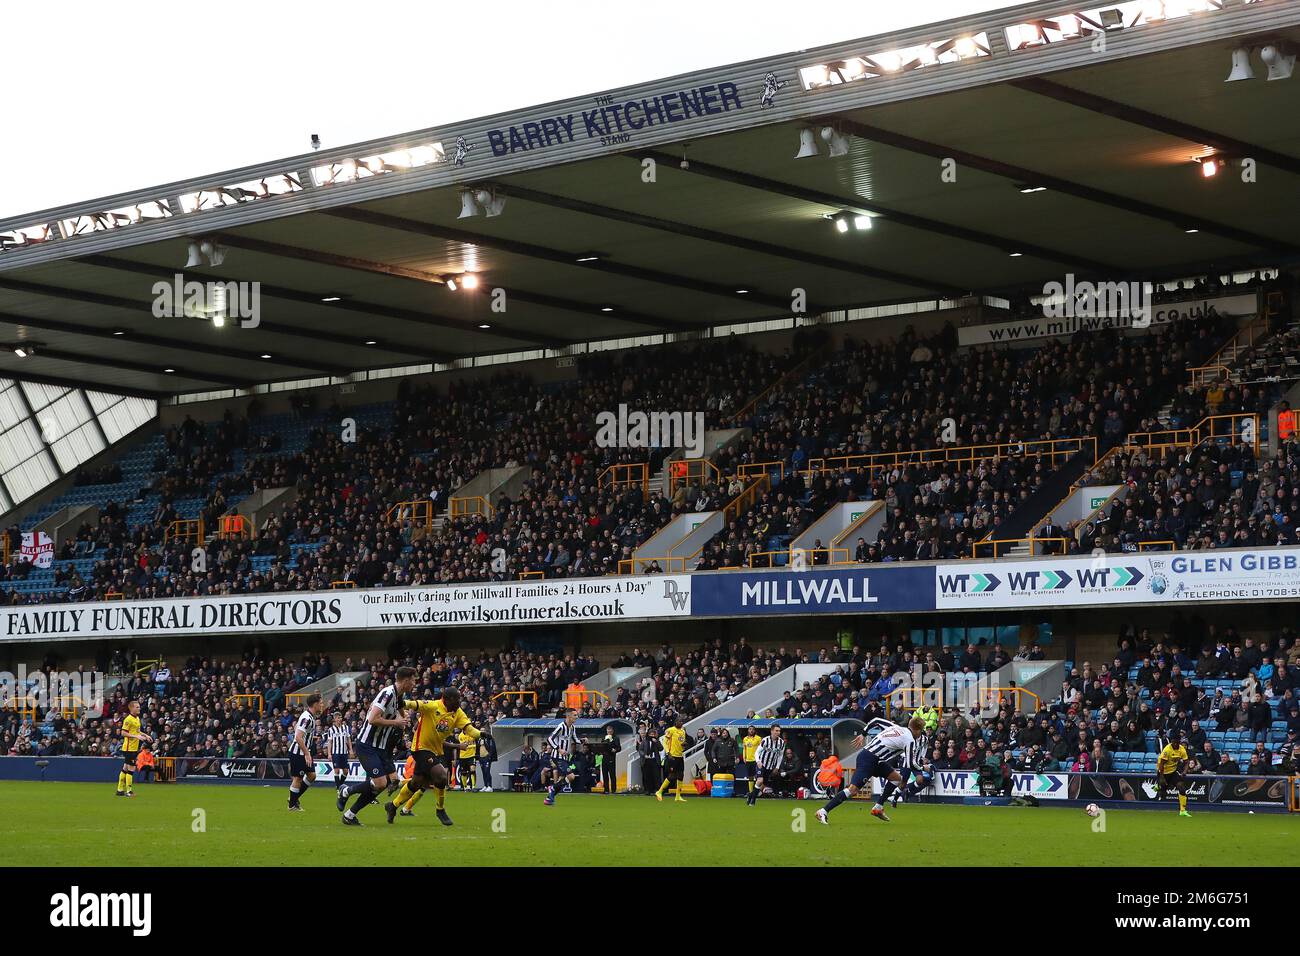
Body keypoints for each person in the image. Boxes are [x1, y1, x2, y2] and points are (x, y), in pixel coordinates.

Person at [386, 685, 481, 826]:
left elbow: (469, 729)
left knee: (417, 782)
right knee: (442, 776)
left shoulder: (458, 713)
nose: (458, 702)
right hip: (420, 748)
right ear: (446, 699)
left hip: (437, 751)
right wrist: (403, 702)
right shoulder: (433, 706)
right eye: (456, 700)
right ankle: (440, 810)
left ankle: (392, 806)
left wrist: (481, 734)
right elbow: (416, 704)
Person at [337, 666, 416, 827]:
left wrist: (404, 717)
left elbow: (401, 710)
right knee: (380, 783)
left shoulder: (399, 695)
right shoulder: (387, 694)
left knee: (381, 786)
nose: (415, 683)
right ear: (406, 681)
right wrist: (396, 722)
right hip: (367, 744)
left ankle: (350, 815)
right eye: (413, 680)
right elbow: (372, 719)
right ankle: (346, 791)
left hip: (381, 747)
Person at [816, 716, 924, 825]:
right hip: (868, 759)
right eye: (921, 731)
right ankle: (823, 811)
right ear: (918, 730)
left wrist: (863, 734)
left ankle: (878, 808)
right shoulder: (910, 740)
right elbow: (911, 763)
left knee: (897, 779)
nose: (920, 734)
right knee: (852, 790)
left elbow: (876, 720)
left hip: (876, 760)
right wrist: (923, 768)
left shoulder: (895, 727)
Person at [287, 693, 324, 811]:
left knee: (312, 776)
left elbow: (302, 733)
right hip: (299, 752)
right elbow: (298, 737)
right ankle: (292, 805)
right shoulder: (307, 718)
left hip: (304, 751)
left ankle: (293, 798)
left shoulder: (310, 716)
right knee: (298, 778)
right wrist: (307, 753)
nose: (322, 704)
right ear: (315, 704)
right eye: (321, 702)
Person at [543, 708, 580, 806]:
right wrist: (559, 749)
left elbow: (575, 739)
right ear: (568, 716)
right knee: (571, 776)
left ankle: (549, 798)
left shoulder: (572, 727)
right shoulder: (561, 726)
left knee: (563, 779)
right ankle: (553, 788)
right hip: (557, 756)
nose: (577, 717)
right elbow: (549, 739)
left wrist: (582, 740)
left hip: (565, 757)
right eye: (575, 715)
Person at [115, 699, 152, 798]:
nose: (139, 708)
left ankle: (119, 790)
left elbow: (137, 731)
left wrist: (146, 735)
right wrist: (136, 737)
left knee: (125, 768)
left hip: (133, 748)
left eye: (139, 707)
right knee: (131, 769)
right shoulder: (128, 719)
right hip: (128, 748)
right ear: (131, 708)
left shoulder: (137, 718)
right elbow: (123, 733)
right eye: (137, 707)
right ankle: (129, 791)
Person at [1156, 729, 1192, 818]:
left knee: (1181, 787)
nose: (1175, 744)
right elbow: (1161, 764)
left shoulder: (1182, 749)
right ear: (1171, 742)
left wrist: (1184, 771)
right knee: (1162, 793)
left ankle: (1183, 811)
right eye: (1173, 742)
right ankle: (1157, 787)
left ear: (1179, 742)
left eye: (1177, 742)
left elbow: (1187, 762)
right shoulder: (1167, 750)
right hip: (1163, 772)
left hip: (1173, 772)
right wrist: (1161, 777)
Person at [746, 723, 785, 806]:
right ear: (771, 731)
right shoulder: (765, 740)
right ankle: (753, 801)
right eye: (776, 731)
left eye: (779, 731)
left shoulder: (781, 743)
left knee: (762, 786)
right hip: (761, 764)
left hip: (770, 766)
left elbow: (780, 755)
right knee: (760, 780)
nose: (778, 732)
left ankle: (750, 795)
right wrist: (758, 761)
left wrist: (777, 767)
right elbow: (757, 752)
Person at [656, 714, 688, 803]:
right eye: (679, 721)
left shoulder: (683, 731)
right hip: (672, 756)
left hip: (680, 756)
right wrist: (667, 752)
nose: (681, 723)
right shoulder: (670, 730)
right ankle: (659, 791)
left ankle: (678, 796)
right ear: (676, 722)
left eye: (682, 722)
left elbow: (681, 743)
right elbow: (665, 742)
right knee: (672, 775)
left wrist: (684, 745)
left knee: (681, 775)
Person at [326, 712, 354, 788]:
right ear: (334, 719)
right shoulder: (331, 729)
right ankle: (339, 788)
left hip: (344, 752)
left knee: (346, 771)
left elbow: (348, 739)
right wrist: (329, 754)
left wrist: (350, 750)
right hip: (336, 753)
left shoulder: (346, 727)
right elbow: (329, 742)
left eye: (341, 717)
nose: (340, 719)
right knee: (337, 770)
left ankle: (339, 785)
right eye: (338, 718)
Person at [599, 724, 621, 794]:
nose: (609, 731)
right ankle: (606, 790)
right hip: (604, 758)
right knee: (605, 774)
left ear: (612, 730)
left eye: (610, 729)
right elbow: (601, 746)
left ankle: (613, 790)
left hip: (611, 757)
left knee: (612, 774)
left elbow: (619, 748)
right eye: (608, 730)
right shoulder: (604, 738)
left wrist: (615, 750)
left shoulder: (616, 738)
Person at [741, 725, 762, 793]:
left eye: (753, 729)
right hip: (748, 760)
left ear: (755, 731)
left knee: (758, 776)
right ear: (748, 730)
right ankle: (751, 792)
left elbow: (761, 749)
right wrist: (744, 757)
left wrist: (760, 758)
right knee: (750, 777)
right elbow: (744, 748)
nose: (751, 730)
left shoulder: (758, 738)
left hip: (756, 760)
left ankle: (758, 791)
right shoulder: (745, 739)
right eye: (750, 729)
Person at [477, 725, 497, 793]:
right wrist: (478, 757)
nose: (482, 732)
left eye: (483, 730)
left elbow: (492, 747)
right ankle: (485, 785)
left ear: (486, 731)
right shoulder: (479, 739)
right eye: (481, 730)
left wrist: (489, 756)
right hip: (481, 757)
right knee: (483, 772)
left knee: (487, 771)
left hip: (487, 757)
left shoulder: (489, 738)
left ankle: (490, 786)